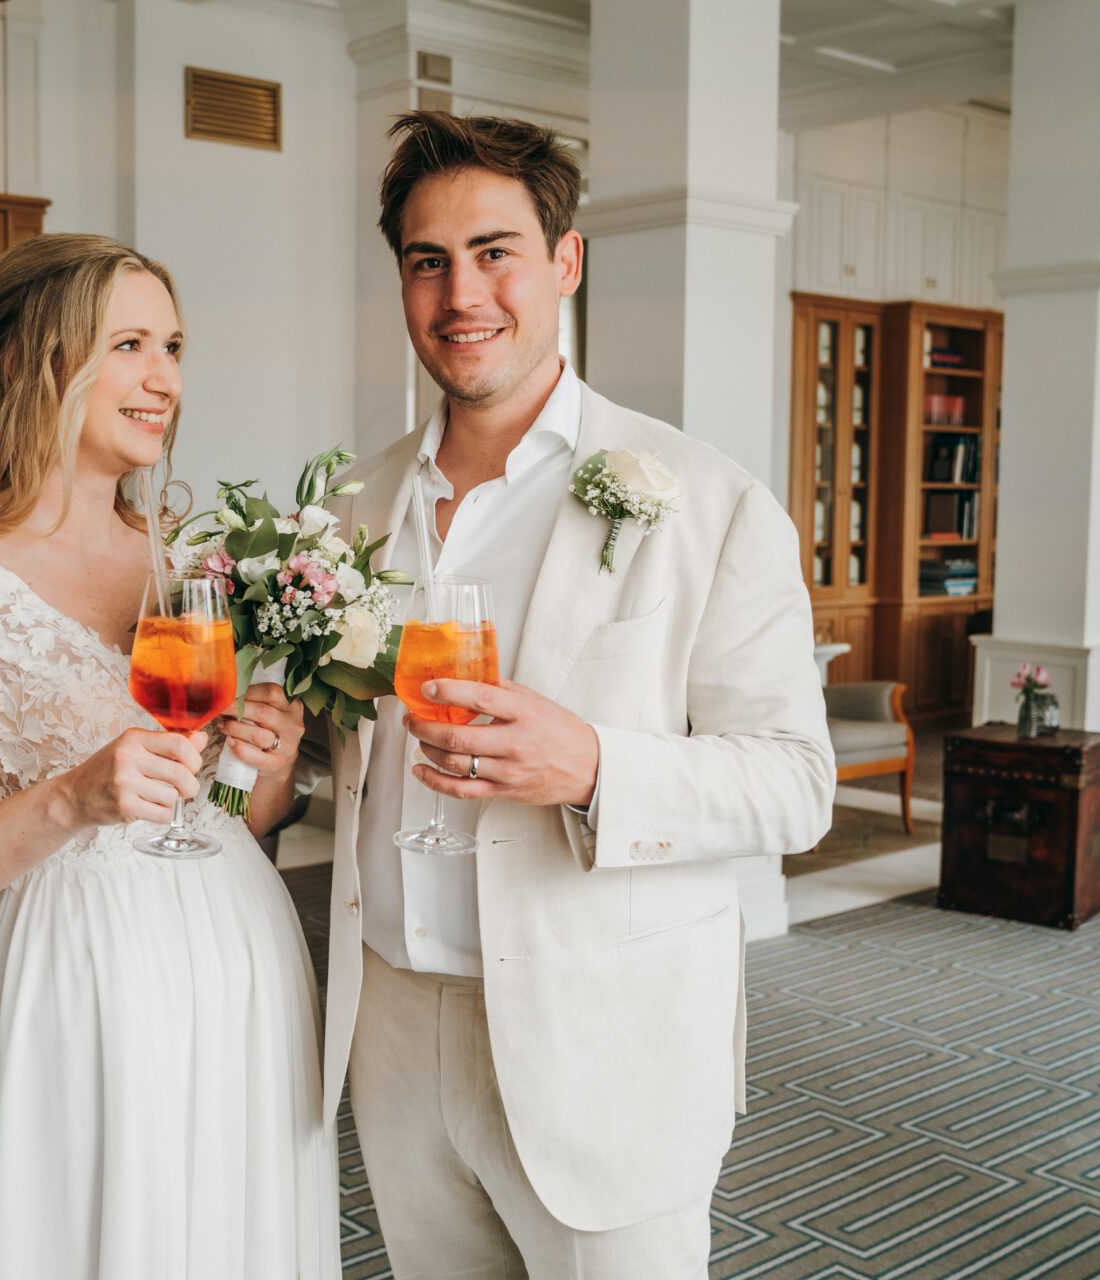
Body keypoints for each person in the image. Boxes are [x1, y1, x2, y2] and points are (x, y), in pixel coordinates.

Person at [320, 113, 835, 1278]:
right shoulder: (355, 503)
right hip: (391, 1026)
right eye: (427, 260)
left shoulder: (708, 500)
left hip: (606, 1039)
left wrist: (598, 766)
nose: (462, 293)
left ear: (566, 261)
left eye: (495, 251)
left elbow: (798, 784)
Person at [0, 233, 339, 1279]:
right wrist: (70, 800)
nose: (165, 377)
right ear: (34, 362)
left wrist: (266, 764)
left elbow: (233, 817)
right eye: (129, 344)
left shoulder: (190, 555)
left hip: (244, 961)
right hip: (80, 975)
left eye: (173, 346)